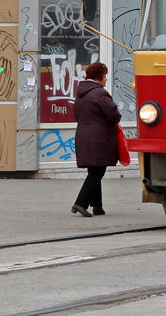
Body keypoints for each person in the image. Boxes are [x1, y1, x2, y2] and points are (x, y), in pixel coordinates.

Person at [72, 61, 121, 217]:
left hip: (83, 136)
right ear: (98, 77)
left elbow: (77, 116)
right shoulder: (100, 93)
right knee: (97, 173)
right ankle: (80, 203)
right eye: (105, 76)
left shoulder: (81, 94)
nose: (106, 79)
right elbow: (114, 114)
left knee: (94, 170)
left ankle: (97, 206)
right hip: (98, 139)